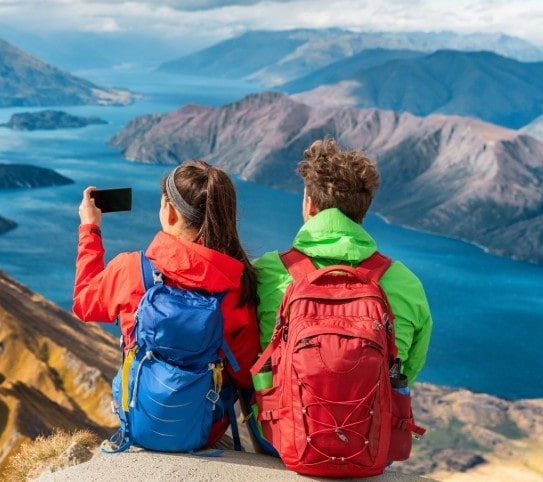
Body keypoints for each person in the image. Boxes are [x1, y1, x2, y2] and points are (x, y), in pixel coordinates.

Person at [252, 137, 432, 450]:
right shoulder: (404, 282)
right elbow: (409, 368)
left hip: (281, 441)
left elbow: (244, 353)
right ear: (363, 211)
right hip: (371, 443)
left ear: (309, 205)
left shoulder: (267, 272)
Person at [73, 160, 260, 448]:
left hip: (139, 420)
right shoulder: (235, 283)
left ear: (170, 212)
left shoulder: (131, 269)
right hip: (205, 429)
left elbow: (83, 302)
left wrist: (90, 229)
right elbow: (245, 373)